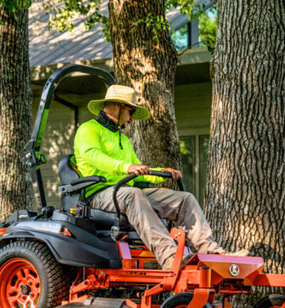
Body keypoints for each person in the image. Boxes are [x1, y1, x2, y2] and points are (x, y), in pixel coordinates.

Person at [74, 84, 247, 270]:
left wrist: (160, 174)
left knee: (184, 199)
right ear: (119, 106)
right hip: (100, 194)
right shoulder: (88, 129)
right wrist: (126, 167)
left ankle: (211, 253)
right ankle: (170, 257)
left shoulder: (122, 139)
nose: (131, 118)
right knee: (134, 195)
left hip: (127, 191)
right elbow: (93, 156)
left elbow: (137, 168)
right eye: (131, 112)